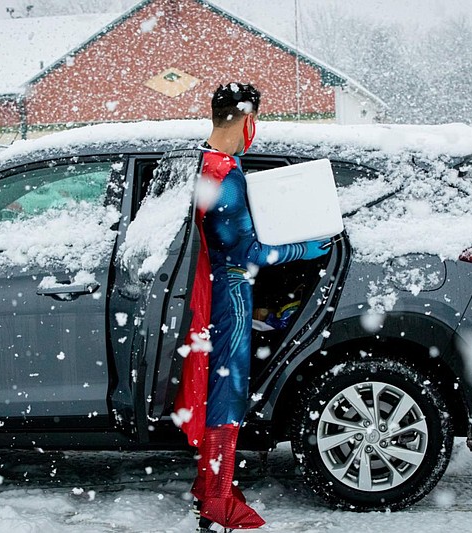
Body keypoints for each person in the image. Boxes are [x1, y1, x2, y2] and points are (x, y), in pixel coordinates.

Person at [176, 82, 330, 532]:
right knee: (227, 394)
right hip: (231, 295)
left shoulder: (204, 161)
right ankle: (218, 501)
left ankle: (211, 487)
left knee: (217, 390)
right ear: (248, 120)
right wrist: (305, 248)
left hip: (212, 292)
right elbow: (246, 253)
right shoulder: (224, 174)